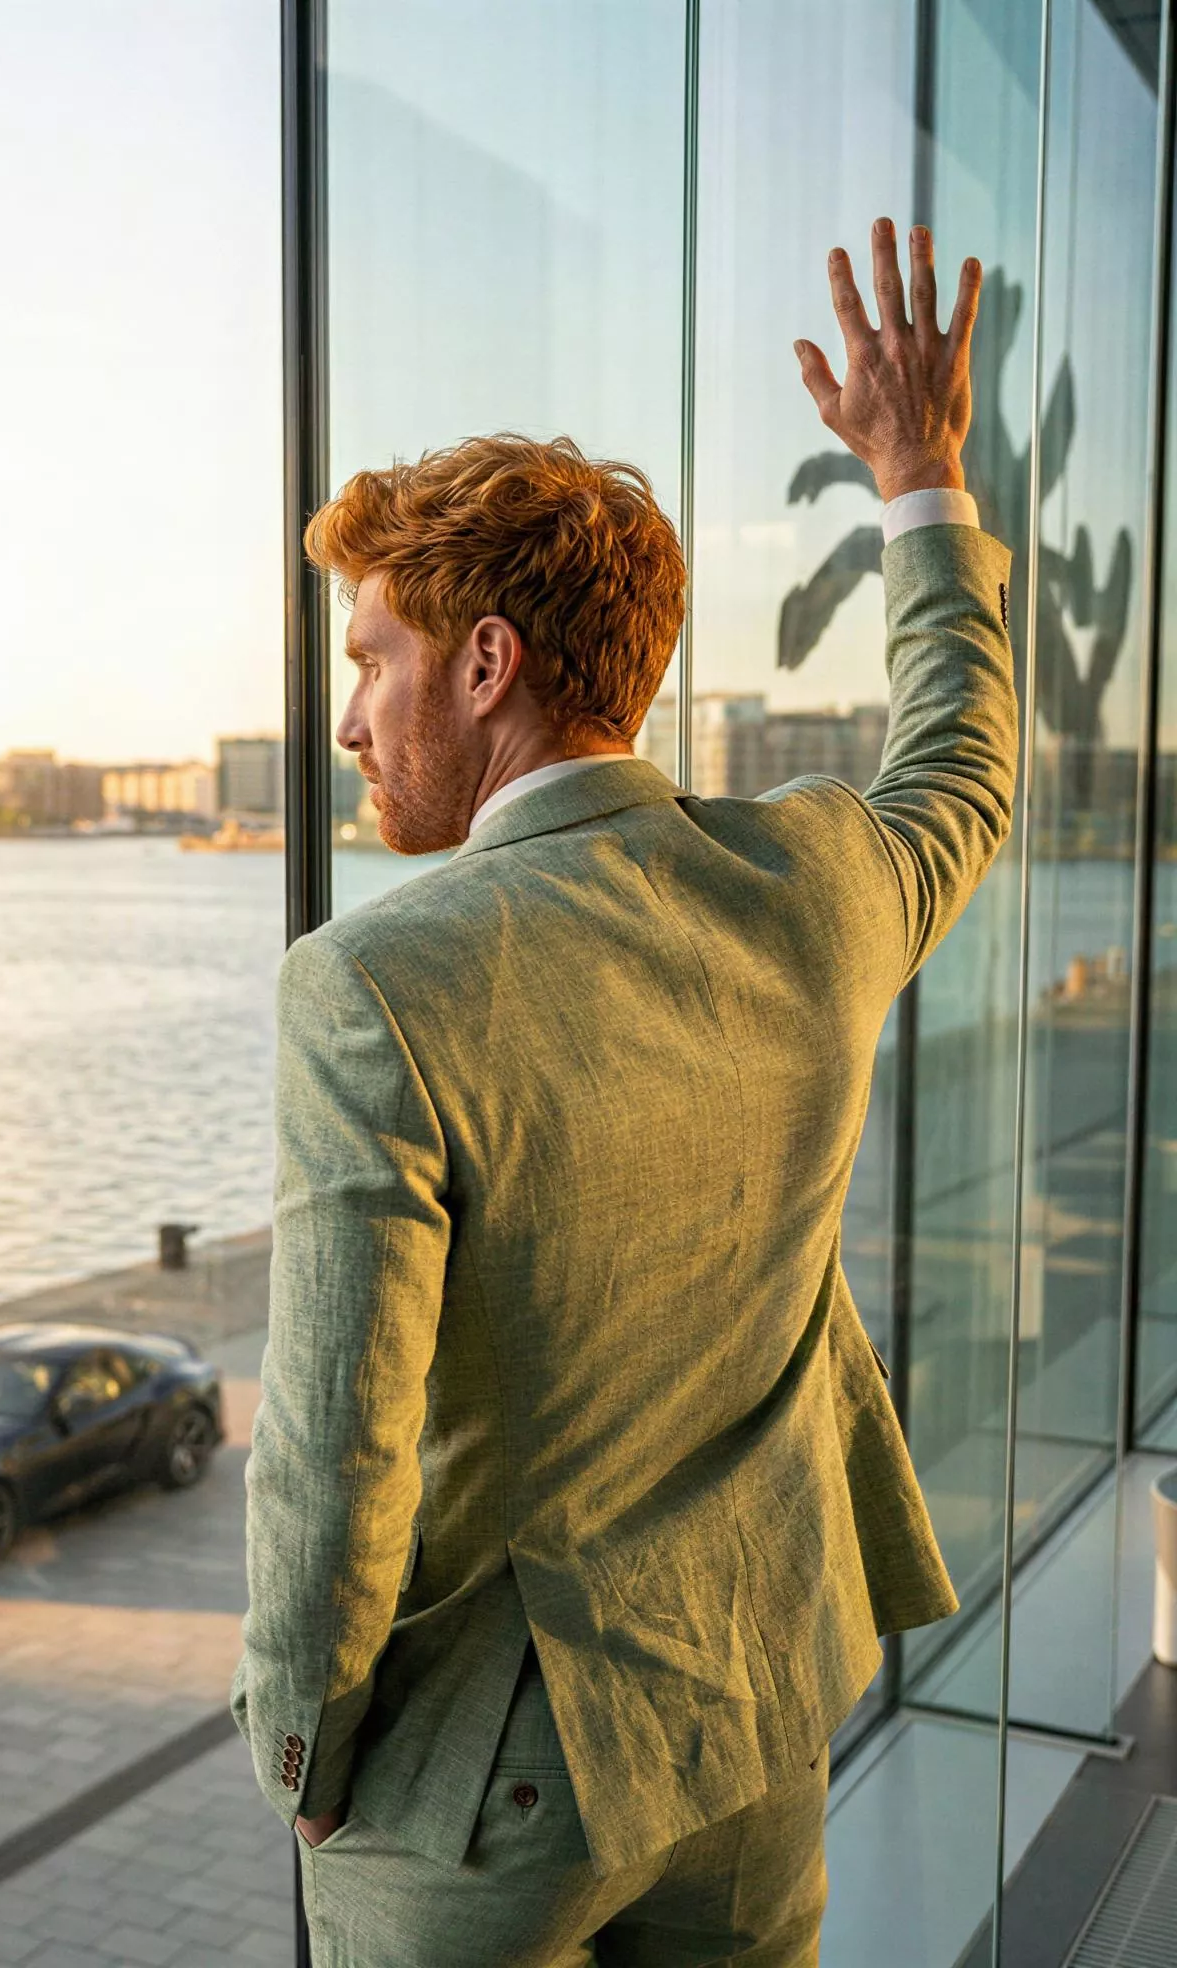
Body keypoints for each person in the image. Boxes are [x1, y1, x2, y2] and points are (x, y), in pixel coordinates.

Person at [232, 219, 1014, 1966]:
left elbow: (335, 1456)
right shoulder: (815, 882)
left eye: (370, 659)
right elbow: (960, 758)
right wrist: (922, 474)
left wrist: (300, 1748)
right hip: (751, 1729)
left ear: (488, 664)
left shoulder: (371, 986)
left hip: (479, 1798)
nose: (349, 718)